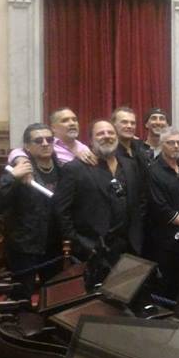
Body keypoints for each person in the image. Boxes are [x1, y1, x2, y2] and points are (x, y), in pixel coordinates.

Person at [55, 119, 146, 287]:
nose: (107, 136)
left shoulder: (130, 165)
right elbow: (61, 211)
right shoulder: (75, 169)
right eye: (100, 133)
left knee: (127, 295)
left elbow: (140, 201)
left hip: (129, 248)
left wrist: (137, 236)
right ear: (90, 139)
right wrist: (82, 244)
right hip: (94, 250)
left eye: (111, 132)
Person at [0, 123, 63, 299]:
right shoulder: (19, 170)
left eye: (49, 139)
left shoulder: (62, 169)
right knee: (22, 297)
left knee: (53, 296)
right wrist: (12, 178)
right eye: (38, 140)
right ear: (27, 147)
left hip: (54, 245)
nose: (45, 143)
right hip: (24, 246)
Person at [145, 127, 179, 298]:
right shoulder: (153, 171)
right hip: (165, 240)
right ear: (162, 144)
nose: (176, 146)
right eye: (171, 143)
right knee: (165, 285)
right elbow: (160, 208)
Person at [7, 107, 95, 165]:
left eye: (74, 120)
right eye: (65, 121)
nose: (72, 123)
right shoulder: (47, 144)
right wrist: (21, 159)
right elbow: (17, 151)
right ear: (53, 128)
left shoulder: (83, 148)